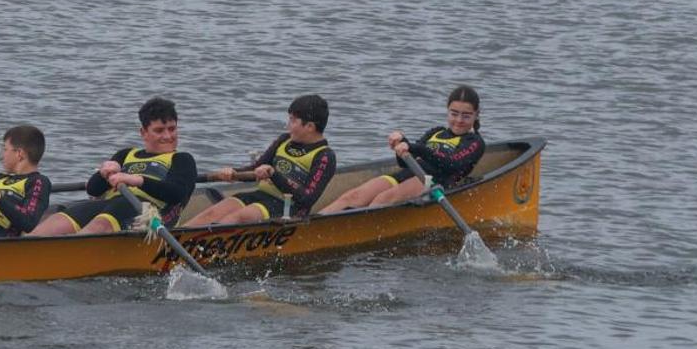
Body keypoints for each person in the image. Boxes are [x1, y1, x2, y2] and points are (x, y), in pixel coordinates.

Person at [29, 97, 197, 236]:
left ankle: (69, 253)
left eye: (172, 129)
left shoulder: (182, 159)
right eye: (159, 130)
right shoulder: (125, 155)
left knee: (108, 217)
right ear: (143, 132)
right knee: (64, 217)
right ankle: (27, 244)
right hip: (113, 205)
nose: (168, 136)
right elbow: (93, 190)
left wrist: (136, 180)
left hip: (152, 215)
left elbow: (177, 193)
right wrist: (103, 173)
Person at [321, 85, 485, 213]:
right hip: (407, 174)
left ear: (476, 114)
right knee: (352, 196)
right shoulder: (437, 132)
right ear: (447, 111)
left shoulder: (475, 142)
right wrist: (400, 145)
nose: (458, 120)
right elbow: (404, 163)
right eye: (454, 113)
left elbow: (451, 163)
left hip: (434, 183)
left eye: (466, 116)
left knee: (383, 199)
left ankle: (351, 229)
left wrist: (413, 147)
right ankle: (314, 224)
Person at [184, 94, 336, 226]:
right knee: (211, 214)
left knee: (239, 217)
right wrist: (232, 172)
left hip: (289, 208)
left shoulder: (324, 156)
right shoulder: (284, 140)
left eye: (292, 121)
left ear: (309, 126)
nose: (288, 126)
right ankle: (169, 243)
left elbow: (307, 199)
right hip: (260, 196)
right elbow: (256, 168)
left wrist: (274, 174)